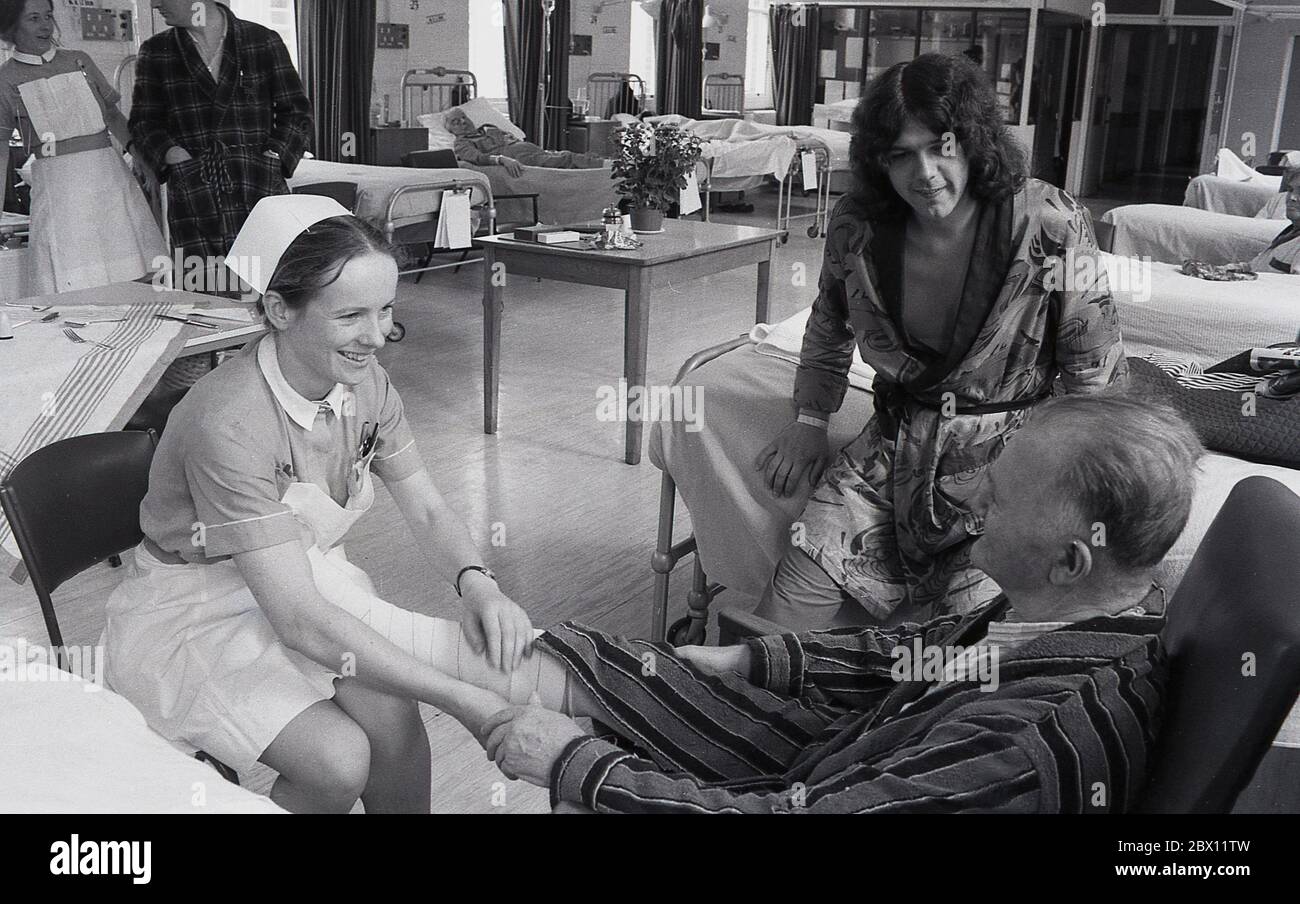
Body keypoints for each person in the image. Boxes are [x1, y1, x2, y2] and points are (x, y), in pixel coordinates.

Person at [447, 394, 1202, 813]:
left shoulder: (1031, 737)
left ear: (1070, 560)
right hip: (842, 753)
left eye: (998, 500)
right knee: (615, 671)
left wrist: (582, 767)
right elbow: (903, 654)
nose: (969, 500)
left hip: (818, 795)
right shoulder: (1073, 618)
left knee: (583, 780)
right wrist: (755, 654)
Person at [102, 195, 534, 814]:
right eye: (351, 315)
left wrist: (479, 585)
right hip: (192, 611)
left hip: (291, 577)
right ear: (279, 309)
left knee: (391, 712)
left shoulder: (366, 384)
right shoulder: (229, 422)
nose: (377, 336)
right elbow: (299, 621)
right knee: (337, 762)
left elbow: (431, 511)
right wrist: (465, 698)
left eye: (387, 310)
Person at [752, 53, 1127, 631]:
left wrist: (1071, 490)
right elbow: (829, 321)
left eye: (941, 147)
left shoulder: (1050, 221)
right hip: (891, 448)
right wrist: (809, 419)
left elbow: (1094, 371)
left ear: (974, 142)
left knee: (961, 660)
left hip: (1005, 468)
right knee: (782, 615)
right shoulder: (857, 225)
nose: (924, 172)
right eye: (901, 154)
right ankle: (736, 709)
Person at [129, 0, 312, 286]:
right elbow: (143, 122)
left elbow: (296, 111)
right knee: (205, 293)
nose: (154, 4)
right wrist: (171, 153)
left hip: (258, 185)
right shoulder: (156, 52)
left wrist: (275, 155)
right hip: (193, 192)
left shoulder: (262, 42)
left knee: (273, 287)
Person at [0, 0, 165, 293]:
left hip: (108, 177)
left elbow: (113, 116)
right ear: (10, 27)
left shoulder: (79, 59)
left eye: (48, 16)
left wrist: (144, 161)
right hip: (59, 188)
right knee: (73, 280)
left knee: (133, 272)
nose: (44, 25)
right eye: (33, 18)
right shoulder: (6, 78)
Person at [444, 107, 607, 177]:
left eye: (463, 117)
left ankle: (604, 164)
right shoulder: (461, 144)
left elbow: (509, 136)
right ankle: (607, 167)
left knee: (563, 155)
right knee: (565, 158)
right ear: (451, 131)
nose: (463, 122)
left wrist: (510, 139)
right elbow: (478, 158)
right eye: (456, 122)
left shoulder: (488, 128)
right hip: (516, 157)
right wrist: (502, 159)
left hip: (527, 149)